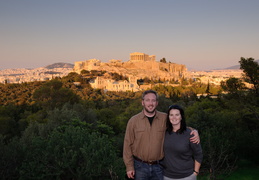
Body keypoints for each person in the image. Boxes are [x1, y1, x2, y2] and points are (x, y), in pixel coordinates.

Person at [123, 90, 200, 180]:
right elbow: (127, 145)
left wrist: (194, 130)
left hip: (159, 167)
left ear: (157, 103)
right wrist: (129, 167)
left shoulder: (164, 118)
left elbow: (178, 124)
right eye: (147, 100)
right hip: (139, 167)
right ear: (142, 102)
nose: (150, 103)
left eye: (153, 100)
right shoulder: (133, 121)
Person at [162, 104, 203, 180]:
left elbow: (198, 154)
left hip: (187, 176)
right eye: (171, 115)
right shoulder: (164, 133)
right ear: (168, 117)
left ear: (181, 117)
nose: (174, 117)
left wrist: (195, 172)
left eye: (177, 115)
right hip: (167, 176)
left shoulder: (190, 134)